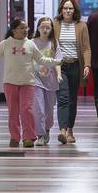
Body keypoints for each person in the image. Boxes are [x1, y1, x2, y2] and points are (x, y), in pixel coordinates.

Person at [0, 19, 61, 148]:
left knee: (27, 110)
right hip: (10, 82)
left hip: (28, 82)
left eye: (27, 28)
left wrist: (55, 62)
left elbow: (41, 59)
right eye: (22, 28)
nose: (26, 30)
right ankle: (15, 137)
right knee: (13, 111)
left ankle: (28, 137)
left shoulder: (30, 44)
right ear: (14, 30)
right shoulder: (5, 44)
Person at [53, 0, 91, 144]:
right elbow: (50, 44)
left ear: (74, 10)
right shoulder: (55, 24)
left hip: (75, 66)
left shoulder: (81, 26)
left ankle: (70, 130)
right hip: (60, 66)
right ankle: (62, 130)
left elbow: (87, 48)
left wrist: (87, 65)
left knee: (72, 100)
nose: (67, 11)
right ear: (61, 10)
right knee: (62, 98)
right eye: (65, 8)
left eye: (70, 8)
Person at [32, 17, 63, 146]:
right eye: (42, 27)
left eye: (48, 27)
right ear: (38, 28)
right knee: (38, 108)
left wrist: (59, 75)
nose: (45, 30)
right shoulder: (31, 43)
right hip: (35, 79)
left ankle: (47, 130)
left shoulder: (54, 43)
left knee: (49, 110)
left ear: (51, 29)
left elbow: (57, 61)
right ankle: (40, 135)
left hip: (50, 81)